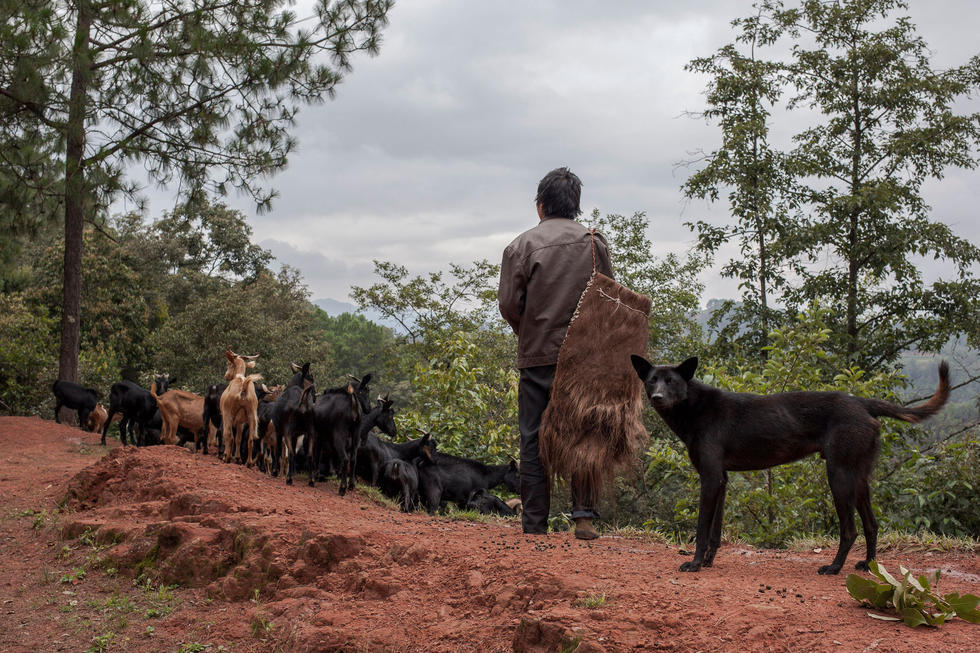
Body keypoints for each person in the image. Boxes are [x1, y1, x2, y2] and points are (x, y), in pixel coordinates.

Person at [498, 167, 613, 539]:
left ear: (540, 206)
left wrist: (529, 332)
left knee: (532, 437)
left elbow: (509, 305)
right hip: (584, 358)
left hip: (537, 356)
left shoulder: (521, 246)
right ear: (576, 206)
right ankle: (583, 516)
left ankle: (534, 526)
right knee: (585, 432)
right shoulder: (595, 243)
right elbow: (607, 296)